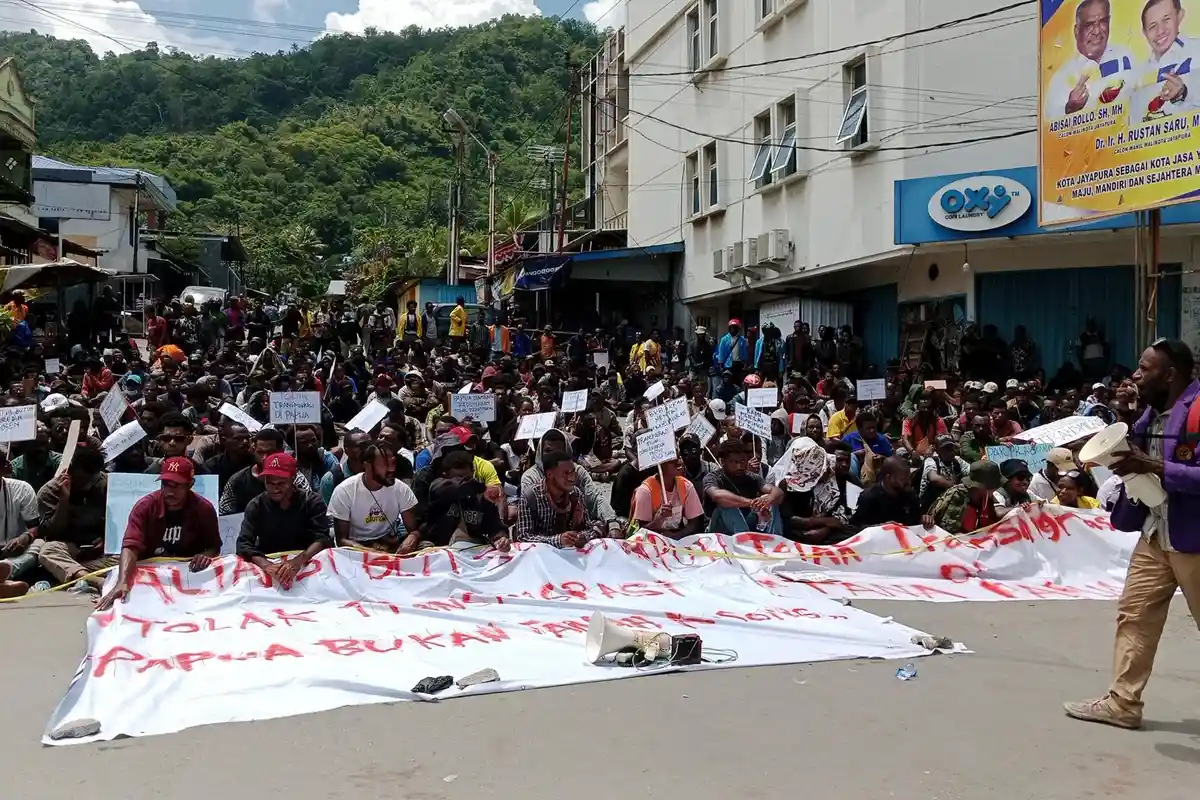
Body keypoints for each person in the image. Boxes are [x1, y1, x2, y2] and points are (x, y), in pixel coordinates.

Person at [1065, 338, 1200, 729]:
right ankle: (1123, 704)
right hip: (1156, 534)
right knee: (1134, 617)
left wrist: (1155, 466)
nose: (1135, 375)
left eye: (1144, 368)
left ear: (1170, 374)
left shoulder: (1197, 411)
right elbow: (1131, 456)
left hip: (1193, 540)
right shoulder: (1151, 412)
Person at [96, 457, 221, 611]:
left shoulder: (204, 509)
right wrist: (123, 581)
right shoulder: (145, 507)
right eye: (166, 484)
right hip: (147, 564)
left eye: (178, 486)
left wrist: (206, 555)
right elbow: (130, 546)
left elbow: (214, 546)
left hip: (185, 569)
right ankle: (97, 581)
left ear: (191, 484)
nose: (170, 492)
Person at [236, 453, 332, 589]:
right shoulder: (256, 505)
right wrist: (267, 566)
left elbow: (322, 539)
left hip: (307, 562)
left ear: (292, 479)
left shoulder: (312, 502)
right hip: (269, 563)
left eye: (281, 483)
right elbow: (244, 544)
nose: (275, 488)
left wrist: (298, 561)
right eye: (269, 483)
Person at [36, 443, 115, 594]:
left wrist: (106, 539)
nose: (89, 484)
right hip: (69, 548)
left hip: (98, 553)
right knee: (48, 551)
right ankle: (97, 581)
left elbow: (117, 521)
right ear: (71, 471)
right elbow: (53, 534)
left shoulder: (104, 483)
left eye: (93, 478)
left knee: (126, 552)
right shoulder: (49, 492)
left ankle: (76, 574)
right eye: (84, 479)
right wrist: (64, 499)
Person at [1043, 0, 1135, 119]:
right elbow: (1049, 123)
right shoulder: (1062, 77)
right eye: (1089, 25)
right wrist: (1070, 108)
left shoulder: (1125, 56)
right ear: (1076, 31)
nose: (1097, 31)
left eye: (1103, 22)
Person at [328, 442, 419, 552]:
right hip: (355, 546)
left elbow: (413, 530)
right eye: (385, 464)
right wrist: (374, 553)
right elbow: (342, 540)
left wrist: (411, 539)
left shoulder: (401, 488)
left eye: (393, 463)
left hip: (388, 540)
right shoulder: (344, 491)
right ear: (367, 465)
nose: (392, 469)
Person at [516, 449, 610, 548]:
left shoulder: (575, 494)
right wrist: (557, 540)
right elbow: (523, 538)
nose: (572, 478)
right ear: (550, 474)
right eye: (566, 473)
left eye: (573, 472)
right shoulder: (530, 497)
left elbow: (588, 527)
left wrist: (581, 537)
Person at [766, 437, 851, 544]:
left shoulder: (834, 470)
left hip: (829, 530)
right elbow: (790, 519)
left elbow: (840, 510)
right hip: (798, 533)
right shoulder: (786, 484)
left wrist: (825, 529)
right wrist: (822, 521)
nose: (822, 473)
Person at [422, 450, 510, 549]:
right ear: (445, 475)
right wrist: (475, 486)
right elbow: (459, 487)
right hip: (439, 548)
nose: (462, 482)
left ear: (473, 472)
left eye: (466, 478)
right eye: (457, 478)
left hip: (472, 550)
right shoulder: (437, 488)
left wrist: (501, 539)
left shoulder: (482, 497)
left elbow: (496, 528)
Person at [1133, 0, 1200, 120]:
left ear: (1179, 16)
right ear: (1144, 33)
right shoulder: (1139, 75)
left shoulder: (1197, 50)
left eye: (1166, 20)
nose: (1160, 31)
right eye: (1153, 26)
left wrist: (1184, 92)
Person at [219, 428, 311, 514]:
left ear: (282, 451)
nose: (265, 458)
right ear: (254, 450)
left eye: (270, 453)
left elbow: (310, 507)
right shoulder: (237, 480)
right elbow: (224, 514)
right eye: (260, 452)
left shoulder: (296, 478)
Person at [702, 440, 783, 535]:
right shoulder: (712, 477)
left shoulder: (752, 477)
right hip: (720, 529)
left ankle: (775, 540)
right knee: (726, 505)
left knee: (772, 501)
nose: (740, 466)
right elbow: (718, 496)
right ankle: (745, 542)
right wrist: (752, 503)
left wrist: (768, 500)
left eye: (743, 461)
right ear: (723, 461)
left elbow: (778, 492)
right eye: (734, 462)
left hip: (747, 523)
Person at [630, 457, 705, 539]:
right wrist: (656, 523)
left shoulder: (686, 485)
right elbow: (640, 532)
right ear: (660, 464)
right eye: (672, 459)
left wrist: (673, 538)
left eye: (679, 457)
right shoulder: (645, 491)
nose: (679, 462)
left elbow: (694, 524)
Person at [0, 450, 41, 598]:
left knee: (39, 545)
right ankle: (6, 584)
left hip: (13, 552)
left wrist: (24, 538)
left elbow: (35, 527)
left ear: (5, 468)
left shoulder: (22, 489)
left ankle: (6, 571)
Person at [928, 461, 1002, 534]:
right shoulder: (958, 496)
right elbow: (948, 530)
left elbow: (992, 518)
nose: (995, 489)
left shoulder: (986, 496)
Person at [850, 456, 924, 529]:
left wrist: (924, 519)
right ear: (888, 477)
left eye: (909, 477)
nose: (909, 482)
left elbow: (916, 519)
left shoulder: (910, 494)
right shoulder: (869, 497)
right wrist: (881, 527)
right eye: (903, 479)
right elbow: (855, 527)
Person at [919, 435, 970, 511]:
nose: (949, 451)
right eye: (945, 448)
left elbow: (972, 471)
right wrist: (955, 487)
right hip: (931, 506)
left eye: (951, 447)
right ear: (937, 450)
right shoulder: (931, 461)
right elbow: (934, 478)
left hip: (950, 504)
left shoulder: (957, 461)